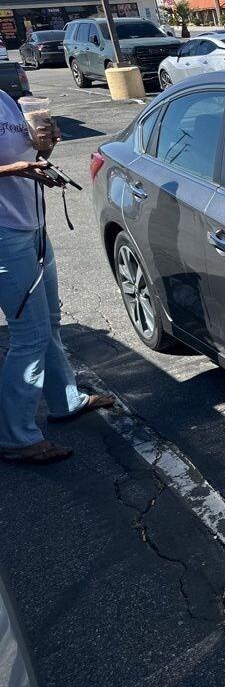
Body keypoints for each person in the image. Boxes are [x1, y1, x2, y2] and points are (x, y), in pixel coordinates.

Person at [0, 90, 113, 464]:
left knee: (48, 322)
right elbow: (13, 166)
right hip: (4, 236)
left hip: (31, 227)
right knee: (28, 336)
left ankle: (65, 400)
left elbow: (29, 156)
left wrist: (44, 147)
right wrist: (16, 170)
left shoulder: (4, 99)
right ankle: (15, 437)